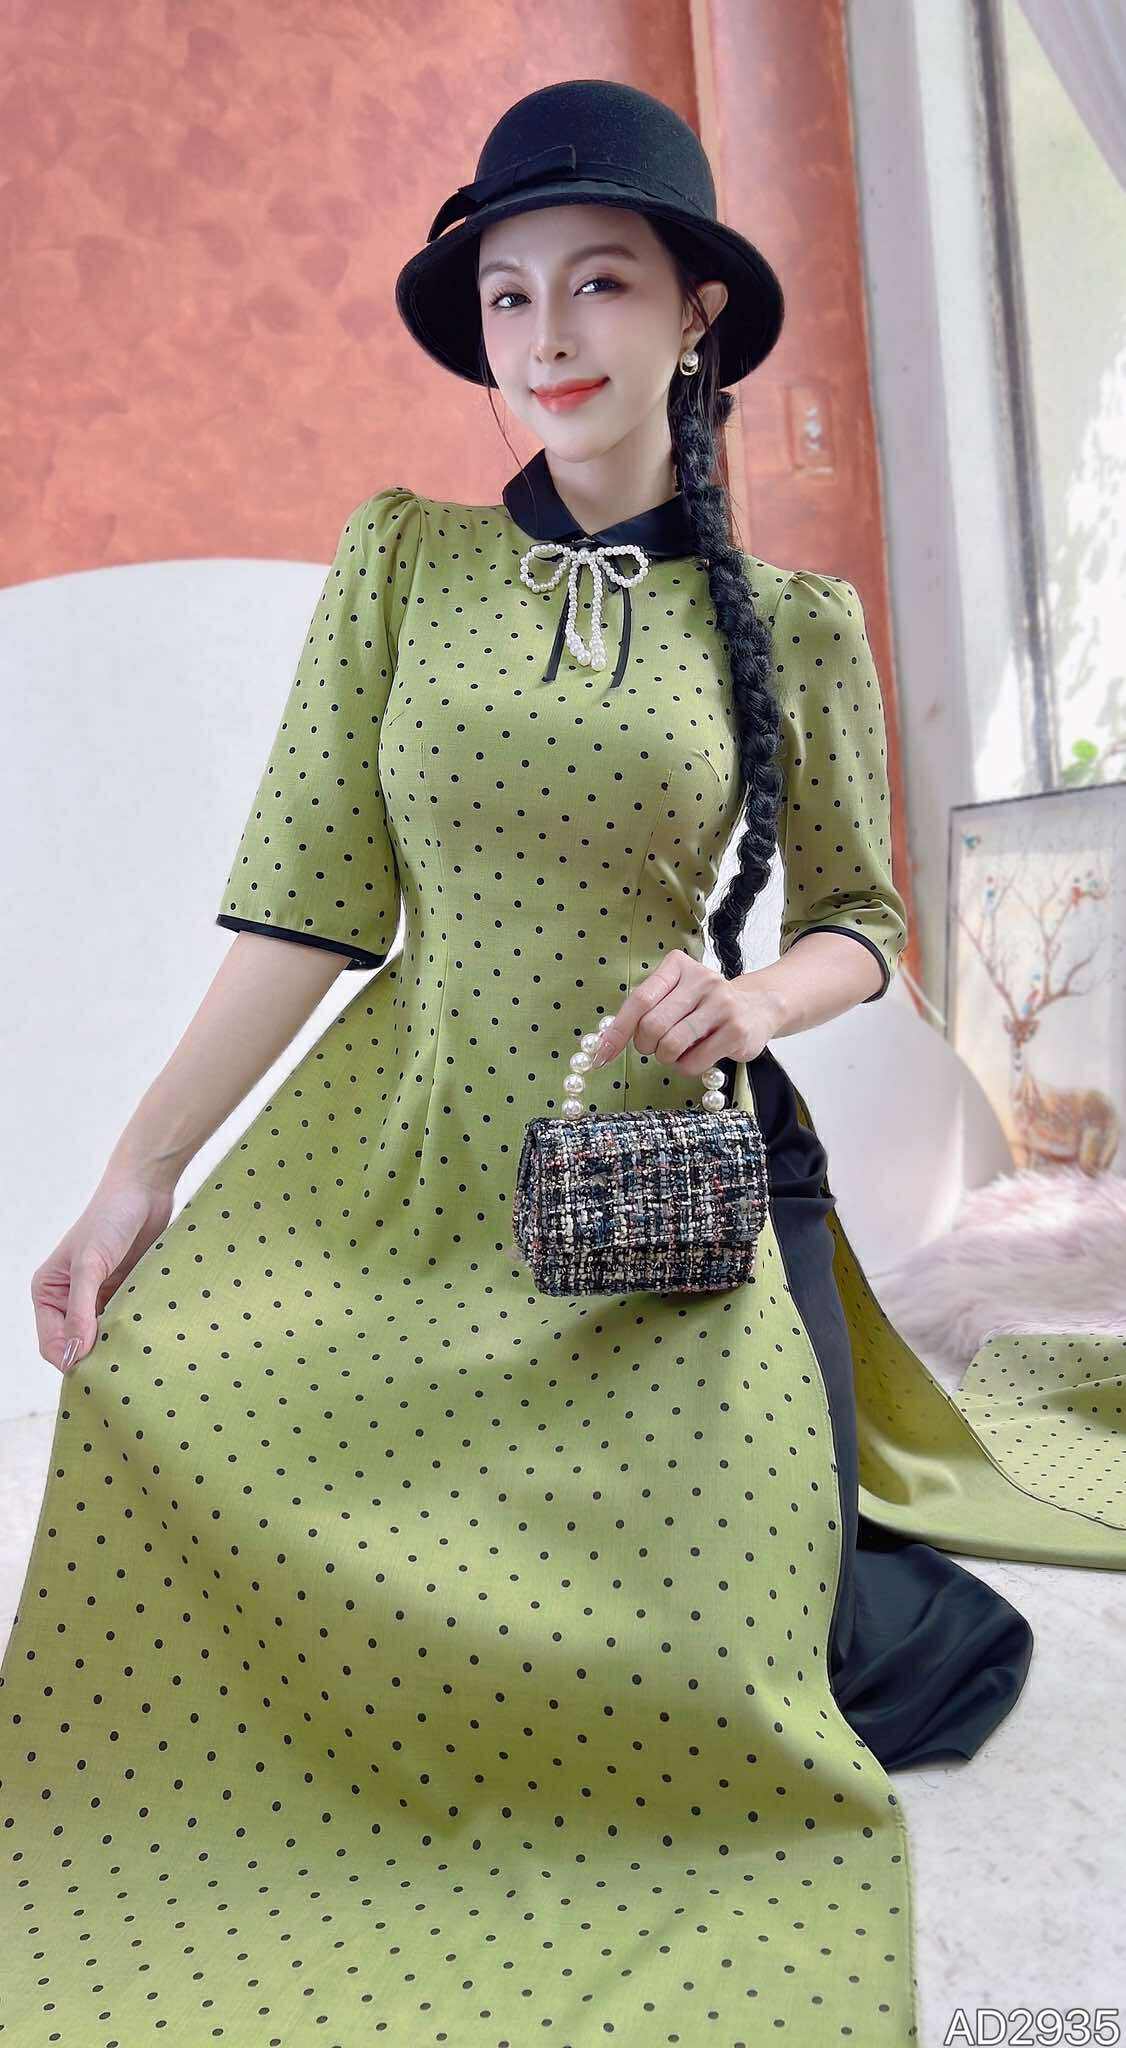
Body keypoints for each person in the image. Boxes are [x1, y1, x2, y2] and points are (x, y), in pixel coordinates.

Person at [8, 78, 1124, 2048]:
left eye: (598, 282)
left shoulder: (795, 623)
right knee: (171, 1386)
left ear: (696, 309)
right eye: (507, 295)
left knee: (749, 1664)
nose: (547, 334)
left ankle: (841, 1594)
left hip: (661, 1176)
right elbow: (305, 911)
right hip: (411, 1133)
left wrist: (754, 1004)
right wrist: (135, 1172)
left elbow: (862, 919)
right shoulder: (399, 565)